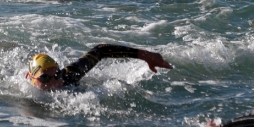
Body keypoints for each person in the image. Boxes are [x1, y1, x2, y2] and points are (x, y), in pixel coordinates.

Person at [26, 43, 172, 90]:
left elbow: (100, 51)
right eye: (44, 79)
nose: (52, 83)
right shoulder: (24, 94)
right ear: (30, 79)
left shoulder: (69, 76)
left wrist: (144, 55)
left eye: (56, 75)